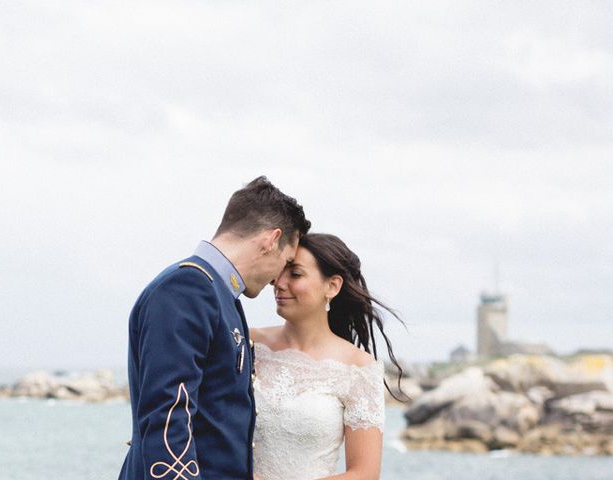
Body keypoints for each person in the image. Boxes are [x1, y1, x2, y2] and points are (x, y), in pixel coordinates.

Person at [119, 176, 311, 480]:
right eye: (285, 261)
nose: (278, 278)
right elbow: (169, 419)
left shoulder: (219, 295)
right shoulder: (187, 288)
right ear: (271, 240)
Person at [251, 233, 405, 480]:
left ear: (332, 286)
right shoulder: (249, 344)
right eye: (280, 271)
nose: (278, 282)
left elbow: (364, 474)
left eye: (295, 274)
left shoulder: (359, 368)